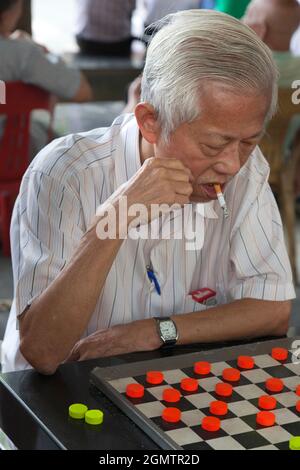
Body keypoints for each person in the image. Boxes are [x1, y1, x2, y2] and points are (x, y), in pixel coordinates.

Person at [2, 10, 295, 374]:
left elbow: (274, 309)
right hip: (52, 395)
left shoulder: (245, 170)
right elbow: (44, 351)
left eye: (249, 142)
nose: (232, 164)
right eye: (213, 145)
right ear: (150, 122)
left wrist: (158, 331)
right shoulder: (66, 173)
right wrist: (116, 218)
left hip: (164, 380)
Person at [0, 0, 93, 155]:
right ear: (9, 12)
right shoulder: (22, 54)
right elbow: (83, 92)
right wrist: (44, 52)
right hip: (15, 163)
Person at [243, 0, 300, 209]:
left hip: (243, 161)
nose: (243, 20)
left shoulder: (252, 67)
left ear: (261, 28)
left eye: (248, 15)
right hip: (284, 161)